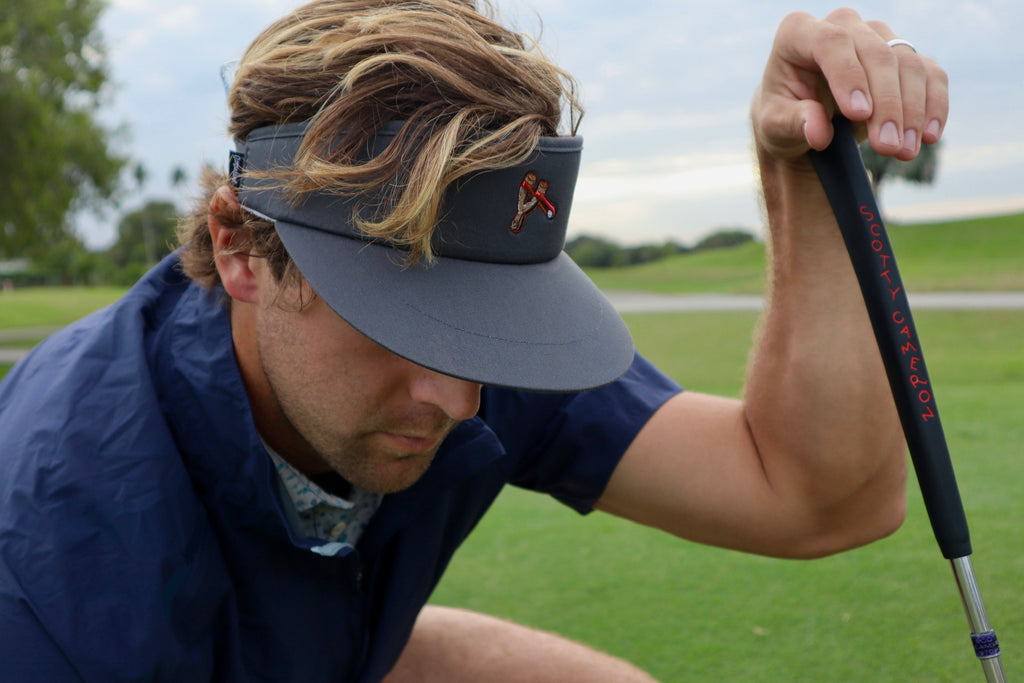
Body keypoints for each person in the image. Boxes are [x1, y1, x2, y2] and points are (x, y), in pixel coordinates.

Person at [0, 1, 947, 680]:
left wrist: (805, 164)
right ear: (241, 246)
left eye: (484, 329)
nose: (461, 400)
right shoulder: (54, 583)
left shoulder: (471, 353)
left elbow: (820, 496)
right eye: (400, 317)